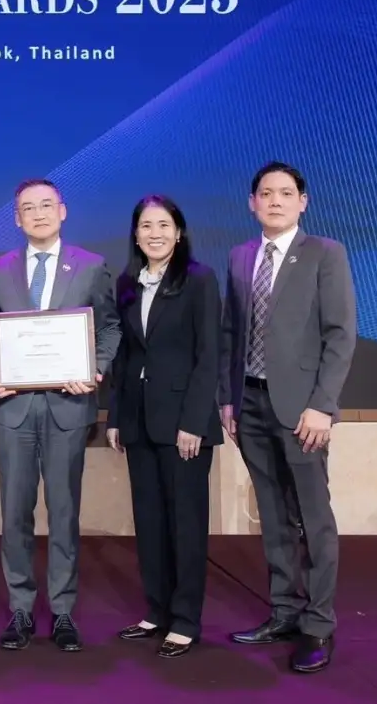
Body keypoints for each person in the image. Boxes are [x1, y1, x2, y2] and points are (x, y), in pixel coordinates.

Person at [220, 161, 356, 674]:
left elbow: (340, 334)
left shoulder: (325, 253)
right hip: (250, 404)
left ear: (303, 201)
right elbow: (232, 333)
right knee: (273, 514)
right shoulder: (240, 256)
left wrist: (323, 405)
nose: (274, 200)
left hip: (302, 410)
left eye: (285, 193)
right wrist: (228, 399)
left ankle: (318, 624)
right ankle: (284, 612)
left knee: (313, 517)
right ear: (252, 202)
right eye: (265, 193)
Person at [0, 178, 121, 652]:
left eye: (46, 205)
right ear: (17, 218)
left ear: (62, 211)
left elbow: (110, 328)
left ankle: (62, 611)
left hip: (68, 407)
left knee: (64, 512)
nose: (38, 213)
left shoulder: (92, 265)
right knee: (15, 514)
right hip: (14, 408)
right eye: (28, 208)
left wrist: (95, 370)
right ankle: (20, 608)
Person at [106, 196, 222, 658]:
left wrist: (193, 421)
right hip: (138, 421)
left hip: (183, 424)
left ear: (179, 232)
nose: (155, 233)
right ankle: (156, 610)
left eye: (163, 225)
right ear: (135, 235)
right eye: (146, 226)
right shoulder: (126, 283)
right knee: (150, 521)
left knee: (186, 524)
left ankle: (186, 620)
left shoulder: (199, 279)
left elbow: (208, 355)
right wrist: (116, 416)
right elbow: (124, 357)